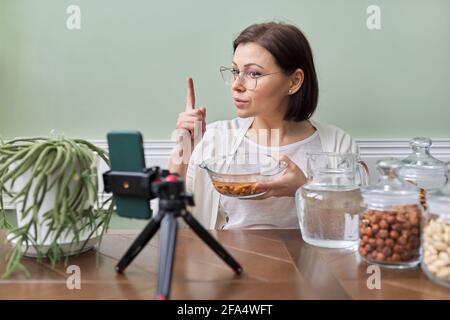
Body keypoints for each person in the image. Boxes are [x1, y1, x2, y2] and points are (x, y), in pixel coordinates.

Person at [168, 22, 357, 230]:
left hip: (305, 262)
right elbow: (173, 221)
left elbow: (352, 229)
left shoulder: (337, 145)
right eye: (234, 71)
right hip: (225, 260)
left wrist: (303, 189)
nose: (236, 85)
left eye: (254, 74)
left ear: (294, 82)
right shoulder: (216, 138)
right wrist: (183, 147)